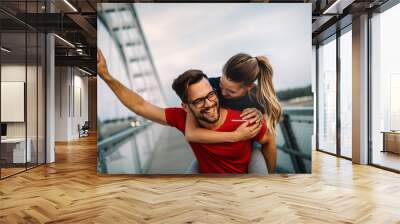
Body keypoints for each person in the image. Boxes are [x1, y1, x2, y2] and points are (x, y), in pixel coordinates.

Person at [97, 49, 275, 174]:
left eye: (211, 95)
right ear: (186, 107)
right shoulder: (183, 118)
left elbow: (269, 140)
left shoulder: (245, 118)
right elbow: (140, 105)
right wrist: (106, 76)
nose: (209, 104)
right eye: (198, 101)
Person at [184, 53, 282, 173]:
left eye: (231, 91)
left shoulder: (256, 98)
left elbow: (269, 136)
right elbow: (191, 134)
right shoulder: (207, 87)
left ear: (249, 87)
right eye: (221, 84)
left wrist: (260, 114)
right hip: (211, 147)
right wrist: (235, 136)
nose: (222, 92)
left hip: (245, 147)